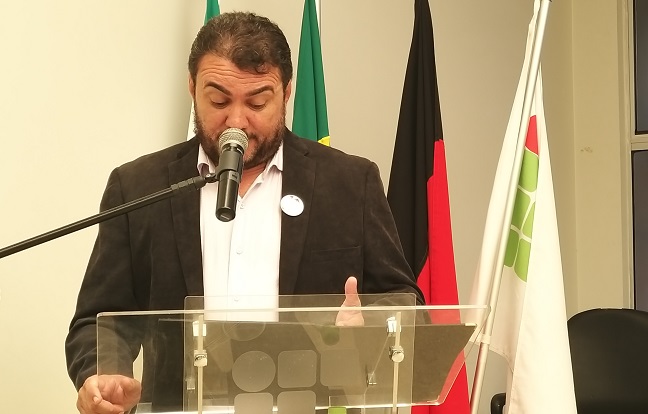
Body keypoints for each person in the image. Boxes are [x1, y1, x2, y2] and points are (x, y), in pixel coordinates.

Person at [66, 11, 422, 414]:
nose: (235, 121)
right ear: (192, 88)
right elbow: (98, 319)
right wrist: (104, 375)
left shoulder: (350, 182)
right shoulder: (139, 186)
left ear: (286, 93)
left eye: (257, 102)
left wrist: (371, 326)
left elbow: (403, 299)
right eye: (218, 100)